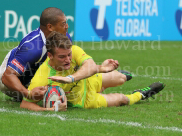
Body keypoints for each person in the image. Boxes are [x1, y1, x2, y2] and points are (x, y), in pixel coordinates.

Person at [20, 31, 165, 111]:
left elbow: (89, 65)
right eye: (62, 57)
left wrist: (71, 78)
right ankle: (141, 94)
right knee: (122, 99)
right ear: (50, 56)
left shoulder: (74, 50)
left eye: (69, 55)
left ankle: (107, 82)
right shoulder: (42, 76)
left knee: (120, 78)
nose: (68, 59)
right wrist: (48, 110)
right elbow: (25, 104)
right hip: (85, 101)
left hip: (88, 79)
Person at [0, 7, 72, 101]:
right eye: (63, 23)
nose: (67, 26)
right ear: (50, 27)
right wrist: (28, 94)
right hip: (7, 77)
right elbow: (7, 76)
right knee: (40, 96)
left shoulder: (64, 37)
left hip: (32, 69)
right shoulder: (33, 48)